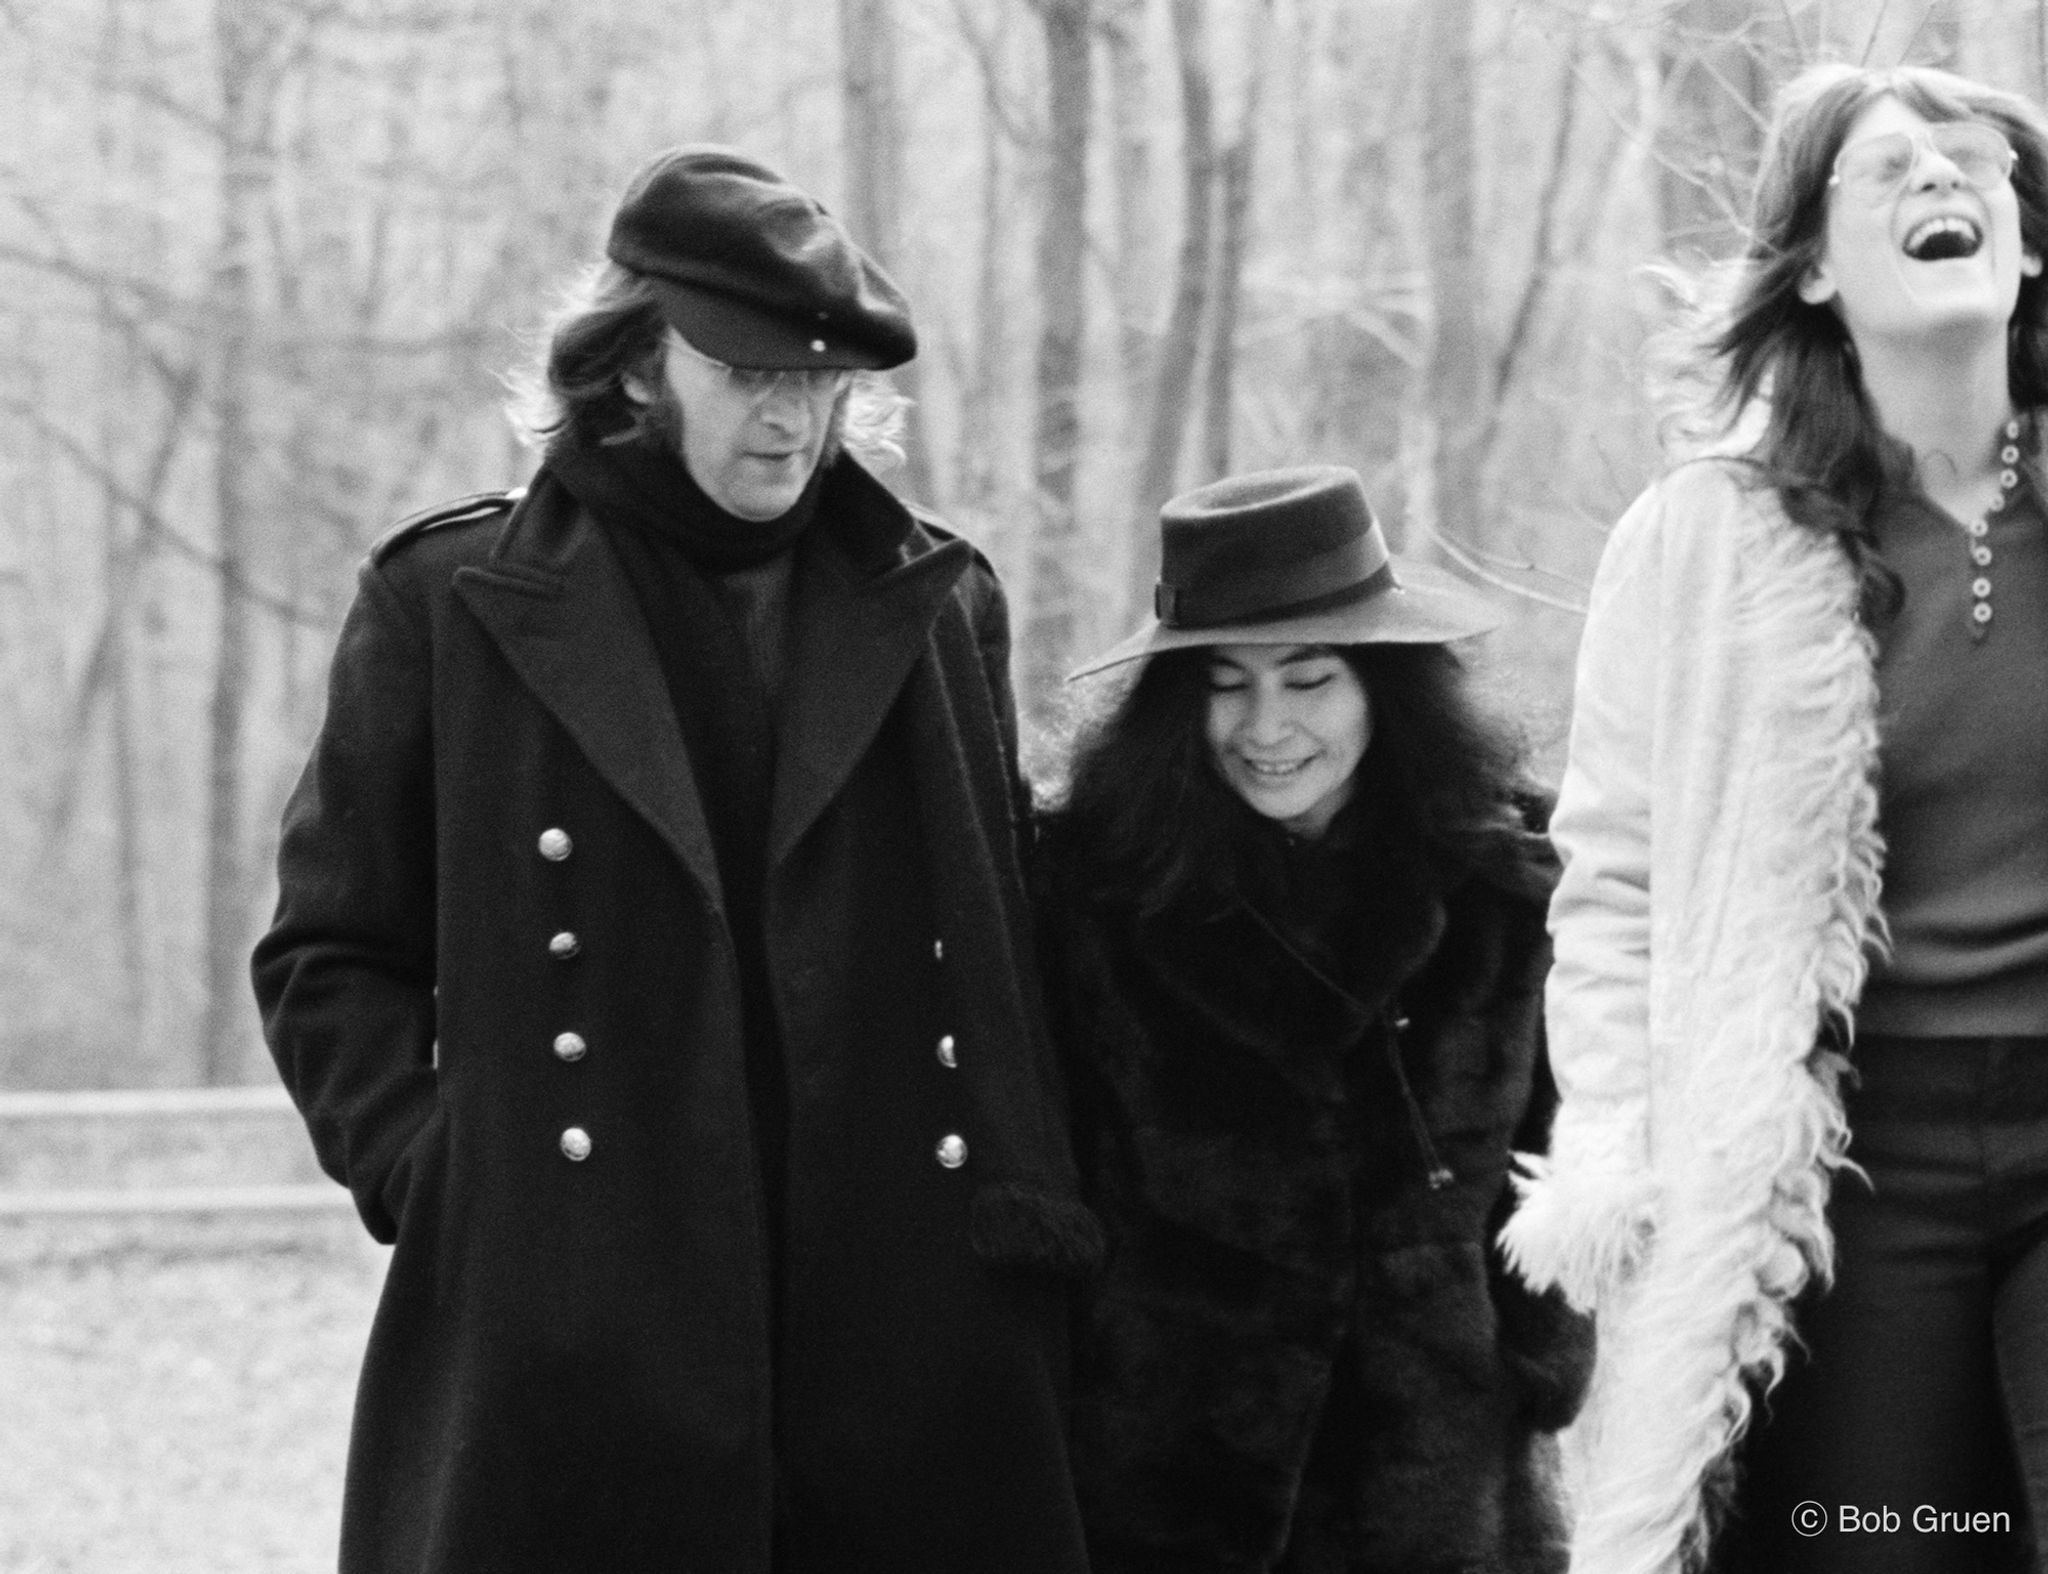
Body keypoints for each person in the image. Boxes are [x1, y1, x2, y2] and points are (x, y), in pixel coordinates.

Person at [251, 145, 1097, 1574]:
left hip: (903, 1306)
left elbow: (1011, 935)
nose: (793, 419)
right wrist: (448, 1176)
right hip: (578, 1307)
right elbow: (329, 951)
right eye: (750, 374)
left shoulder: (939, 603)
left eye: (820, 382)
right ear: (638, 365)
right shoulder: (454, 604)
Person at [1501, 63, 2048, 1574]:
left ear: (2029, 237)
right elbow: (1612, 876)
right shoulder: (1703, 542)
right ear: (1812, 264)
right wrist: (1613, 1127)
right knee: (1887, 1537)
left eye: (1973, 164)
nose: (1944, 182)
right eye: (1891, 170)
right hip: (1854, 1159)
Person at [1035, 466, 1594, 1574]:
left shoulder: (1508, 881)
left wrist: (1536, 1361)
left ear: (1383, 689)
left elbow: (1557, 1145)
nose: (1266, 726)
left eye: (1307, 678)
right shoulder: (1085, 890)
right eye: (1224, 683)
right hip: (1168, 1473)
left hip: (1440, 1474)